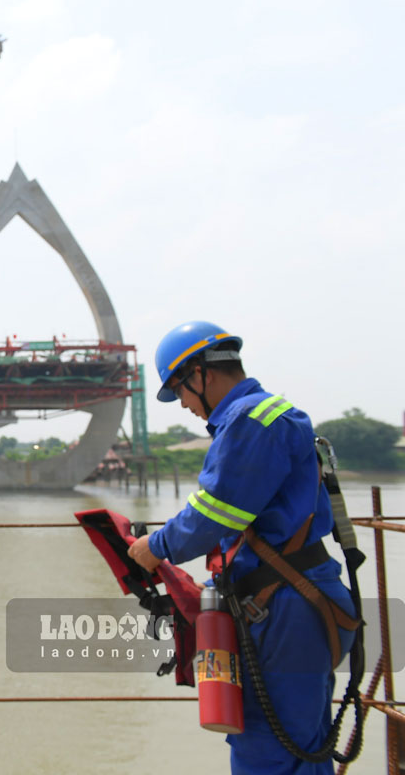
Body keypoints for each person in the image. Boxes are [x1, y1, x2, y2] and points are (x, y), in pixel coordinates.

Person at [127, 321, 358, 775]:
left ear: (201, 374)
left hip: (286, 607)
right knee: (297, 744)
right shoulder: (266, 414)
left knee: (268, 751)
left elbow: (216, 512)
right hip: (293, 599)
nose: (186, 407)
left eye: (182, 393)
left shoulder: (249, 420)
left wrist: (156, 546)